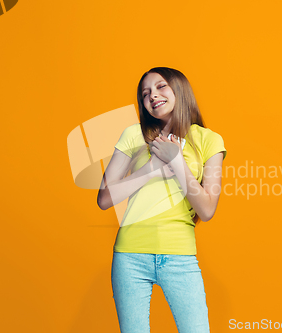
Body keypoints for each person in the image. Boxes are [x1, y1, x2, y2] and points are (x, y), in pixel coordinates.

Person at [97, 67, 227, 333]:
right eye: (145, 94)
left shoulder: (208, 140)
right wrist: (150, 169)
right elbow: (104, 199)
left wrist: (177, 160)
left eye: (160, 87)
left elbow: (207, 209)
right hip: (130, 256)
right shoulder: (134, 135)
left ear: (179, 89)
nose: (152, 96)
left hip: (180, 256)